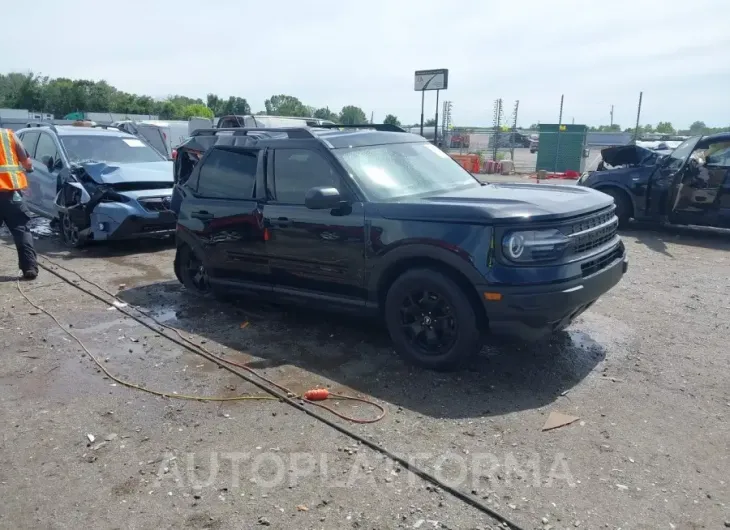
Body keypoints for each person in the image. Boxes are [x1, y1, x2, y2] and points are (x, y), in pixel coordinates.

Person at [0, 127, 38, 280]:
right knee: (21, 229)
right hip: (9, 193)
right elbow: (26, 162)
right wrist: (29, 168)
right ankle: (29, 268)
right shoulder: (8, 135)